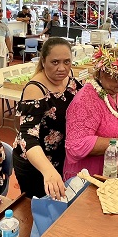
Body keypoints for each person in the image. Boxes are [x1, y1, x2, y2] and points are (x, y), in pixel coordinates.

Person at [13, 38, 81, 200]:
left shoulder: (68, 78)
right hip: (36, 165)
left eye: (67, 62)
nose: (62, 68)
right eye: (55, 62)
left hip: (60, 157)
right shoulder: (35, 89)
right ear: (43, 61)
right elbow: (27, 136)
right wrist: (48, 171)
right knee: (38, 212)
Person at [64, 47, 118, 178]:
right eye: (117, 77)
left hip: (115, 168)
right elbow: (75, 146)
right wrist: (117, 142)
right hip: (89, 176)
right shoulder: (86, 100)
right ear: (102, 72)